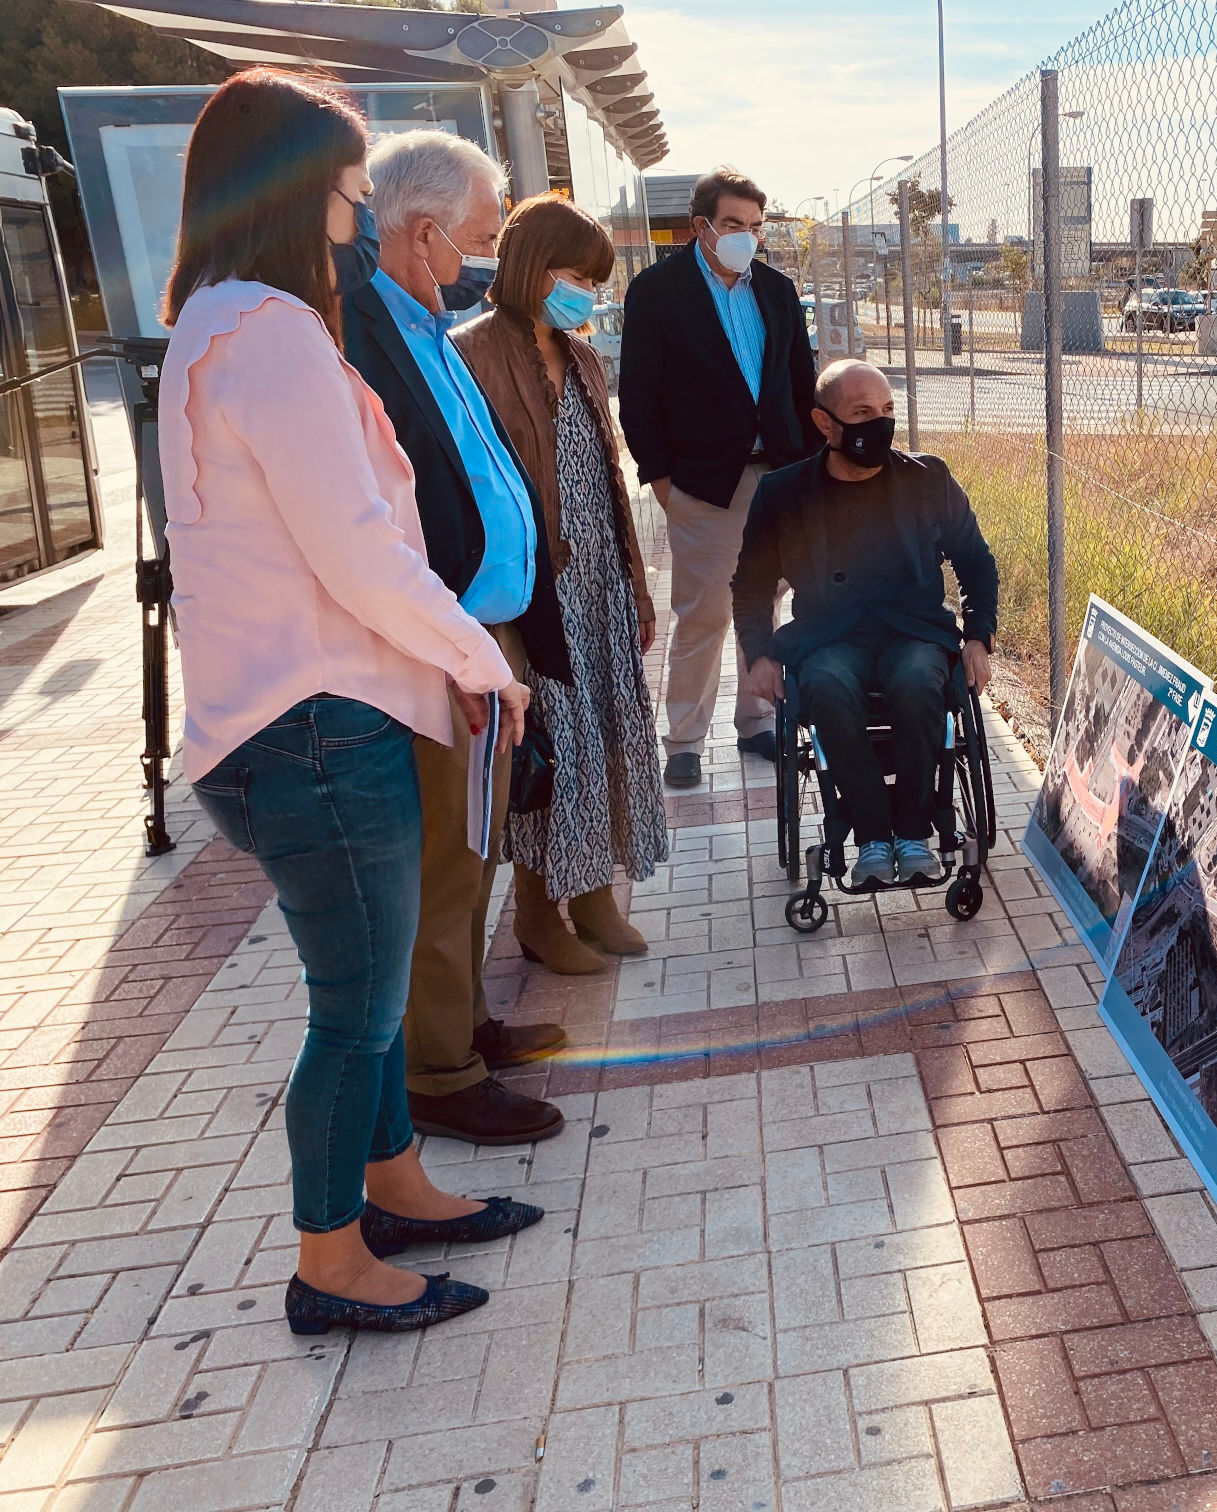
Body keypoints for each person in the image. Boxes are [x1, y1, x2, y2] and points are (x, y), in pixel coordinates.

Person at [159, 71, 545, 1335]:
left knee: (368, 993)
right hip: (316, 728)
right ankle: (331, 1262)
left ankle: (395, 1187)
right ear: (298, 194)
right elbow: (361, 550)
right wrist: (483, 663)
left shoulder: (213, 325)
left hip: (287, 721)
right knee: (354, 1012)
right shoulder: (267, 333)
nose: (359, 215)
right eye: (346, 190)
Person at [342, 130, 574, 1146]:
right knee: (446, 857)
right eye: (478, 236)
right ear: (423, 232)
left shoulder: (425, 330)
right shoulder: (360, 336)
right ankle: (439, 1073)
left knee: (475, 847)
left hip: (488, 632)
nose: (483, 256)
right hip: (440, 640)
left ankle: (464, 1023)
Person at [454, 194, 667, 973]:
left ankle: (593, 898)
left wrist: (638, 589)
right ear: (526, 265)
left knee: (607, 734)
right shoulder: (472, 351)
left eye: (592, 278)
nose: (583, 289)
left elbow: (611, 477)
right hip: (537, 591)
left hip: (601, 584)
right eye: (571, 272)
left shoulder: (581, 357)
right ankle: (539, 915)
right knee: (555, 748)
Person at [731, 360, 998, 886]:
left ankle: (914, 832)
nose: (879, 423)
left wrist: (977, 636)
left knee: (921, 681)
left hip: (914, 629)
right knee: (827, 685)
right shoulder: (784, 494)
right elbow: (751, 583)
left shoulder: (928, 479)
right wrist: (759, 652)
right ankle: (874, 837)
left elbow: (975, 561)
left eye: (887, 410)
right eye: (862, 413)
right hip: (830, 634)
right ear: (824, 422)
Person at [618, 166, 817, 790]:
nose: (746, 237)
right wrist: (661, 481)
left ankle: (756, 721)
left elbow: (801, 385)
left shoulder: (778, 292)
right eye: (733, 225)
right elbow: (639, 395)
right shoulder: (657, 292)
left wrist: (811, 471)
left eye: (756, 227)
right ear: (701, 225)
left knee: (767, 602)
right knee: (703, 611)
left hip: (778, 476)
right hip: (704, 483)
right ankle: (683, 739)